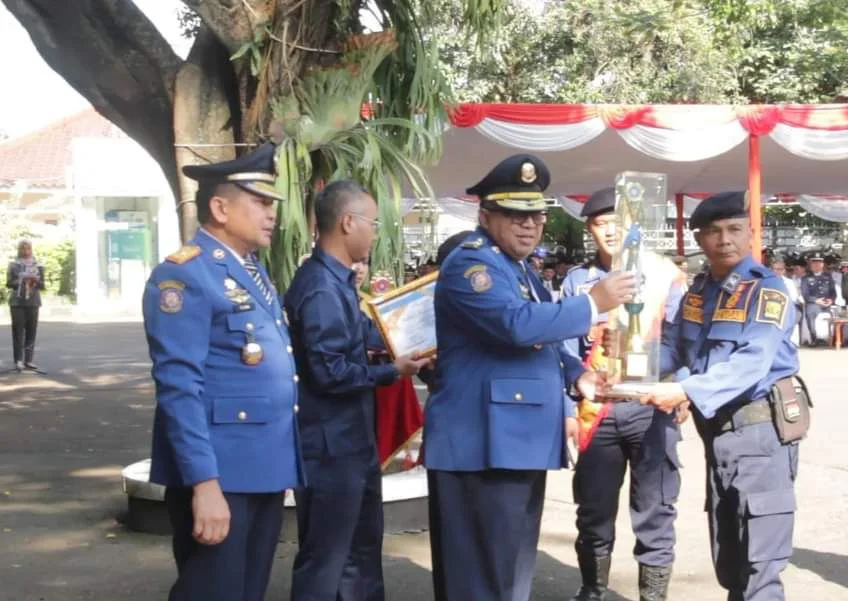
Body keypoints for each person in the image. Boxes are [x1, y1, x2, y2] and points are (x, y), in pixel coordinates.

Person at [422, 154, 636, 601]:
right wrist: (593, 303)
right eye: (514, 215)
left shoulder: (516, 267)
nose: (529, 225)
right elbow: (517, 325)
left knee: (509, 574)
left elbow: (544, 340)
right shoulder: (471, 266)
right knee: (481, 580)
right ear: (485, 216)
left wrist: (578, 375)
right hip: (482, 445)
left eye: (536, 215)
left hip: (512, 441)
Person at [141, 143, 304, 601]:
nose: (271, 214)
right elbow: (179, 389)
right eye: (260, 202)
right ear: (219, 207)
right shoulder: (185, 276)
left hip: (261, 469)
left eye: (271, 203)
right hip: (220, 474)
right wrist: (204, 485)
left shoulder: (250, 271)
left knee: (246, 592)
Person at [643, 191, 801, 601]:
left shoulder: (767, 289)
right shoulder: (699, 291)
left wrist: (684, 389)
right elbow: (676, 348)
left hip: (759, 432)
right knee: (729, 552)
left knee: (760, 563)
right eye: (713, 232)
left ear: (751, 234)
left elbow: (753, 361)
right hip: (718, 434)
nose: (725, 240)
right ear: (699, 239)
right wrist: (628, 363)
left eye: (734, 229)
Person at [285, 181, 429, 601]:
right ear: (348, 222)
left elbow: (371, 335)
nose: (376, 233)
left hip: (349, 441)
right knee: (328, 556)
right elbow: (329, 373)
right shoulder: (319, 288)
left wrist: (402, 343)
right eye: (373, 223)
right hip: (329, 447)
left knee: (360, 550)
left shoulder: (338, 283)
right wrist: (392, 371)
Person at [559, 187, 682, 601]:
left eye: (617, 221)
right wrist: (567, 406)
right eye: (598, 223)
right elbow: (562, 348)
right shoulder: (578, 281)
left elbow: (685, 341)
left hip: (649, 408)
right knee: (593, 511)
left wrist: (674, 381)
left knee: (656, 510)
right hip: (598, 410)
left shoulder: (666, 275)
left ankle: (653, 596)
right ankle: (593, 589)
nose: (609, 230)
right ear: (590, 230)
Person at [7, 239, 44, 371]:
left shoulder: (38, 265)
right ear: (19, 250)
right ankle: (18, 360)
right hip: (17, 303)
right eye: (23, 248)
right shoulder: (13, 264)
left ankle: (29, 360)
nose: (26, 251)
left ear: (31, 249)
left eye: (28, 248)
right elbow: (9, 283)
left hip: (33, 302)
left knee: (31, 331)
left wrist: (35, 280)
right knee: (18, 332)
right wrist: (20, 280)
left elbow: (42, 285)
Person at [800, 251, 835, 346]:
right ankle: (814, 338)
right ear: (810, 264)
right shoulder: (805, 278)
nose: (817, 265)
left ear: (823, 264)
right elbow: (805, 294)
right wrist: (816, 300)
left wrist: (831, 300)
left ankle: (831, 338)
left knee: (835, 313)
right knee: (811, 311)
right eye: (814, 263)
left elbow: (833, 292)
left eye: (819, 263)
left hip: (827, 303)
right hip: (813, 303)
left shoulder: (828, 277)